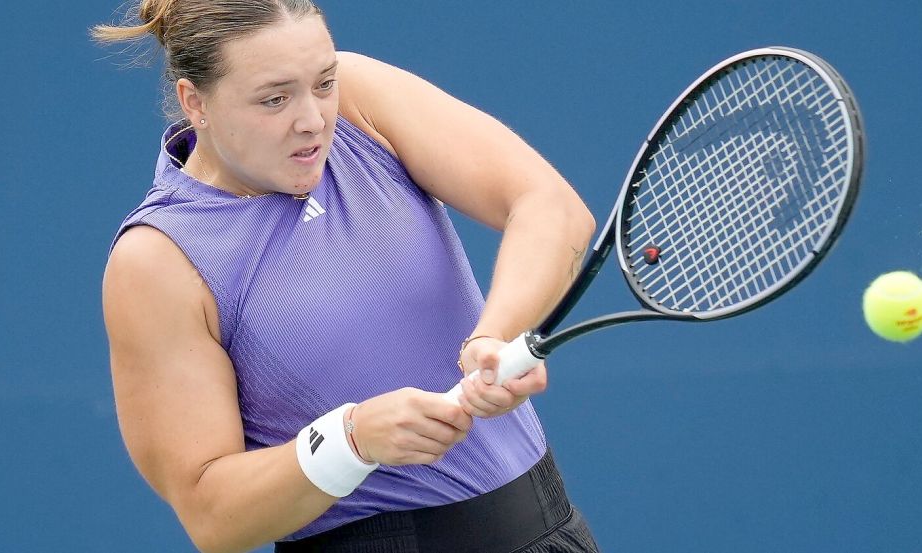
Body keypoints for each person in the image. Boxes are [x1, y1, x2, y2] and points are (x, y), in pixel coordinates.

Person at [95, 1, 600, 552]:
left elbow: (551, 207)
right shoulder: (158, 260)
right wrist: (351, 440)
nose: (312, 118)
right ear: (197, 103)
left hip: (552, 531)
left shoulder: (358, 101)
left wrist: (494, 336)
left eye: (323, 83)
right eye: (274, 98)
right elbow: (214, 517)